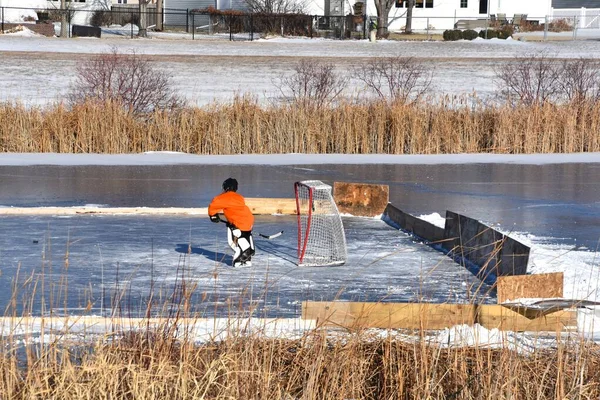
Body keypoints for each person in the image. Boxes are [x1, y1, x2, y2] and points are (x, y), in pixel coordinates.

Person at [208, 178, 255, 267]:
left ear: (225, 187)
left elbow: (213, 205)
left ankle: (241, 256)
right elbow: (234, 208)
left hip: (238, 222)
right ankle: (247, 258)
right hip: (248, 220)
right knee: (245, 236)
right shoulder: (239, 197)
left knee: (233, 240)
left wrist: (212, 215)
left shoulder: (225, 197)